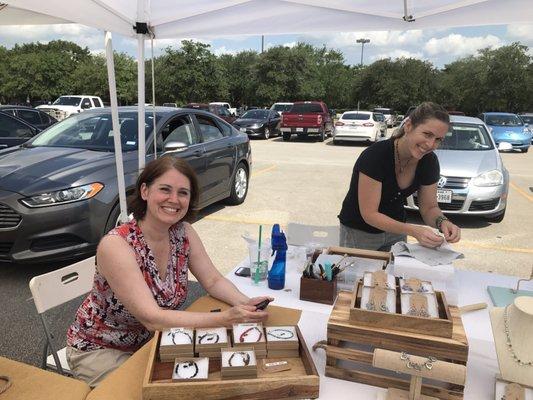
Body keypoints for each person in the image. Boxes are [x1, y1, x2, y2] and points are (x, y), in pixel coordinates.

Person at [66, 156, 271, 386]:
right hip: (100, 349)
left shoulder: (183, 233)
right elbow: (152, 318)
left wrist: (246, 305)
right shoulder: (117, 246)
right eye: (165, 189)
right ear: (144, 191)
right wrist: (226, 319)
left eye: (183, 192)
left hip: (152, 341)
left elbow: (212, 280)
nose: (174, 200)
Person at [338, 102, 461, 251]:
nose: (430, 144)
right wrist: (413, 230)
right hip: (359, 232)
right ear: (408, 126)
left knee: (395, 274)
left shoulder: (429, 161)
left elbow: (429, 207)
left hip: (397, 232)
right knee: (358, 274)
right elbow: (369, 214)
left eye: (438, 139)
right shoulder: (375, 156)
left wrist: (443, 222)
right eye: (427, 134)